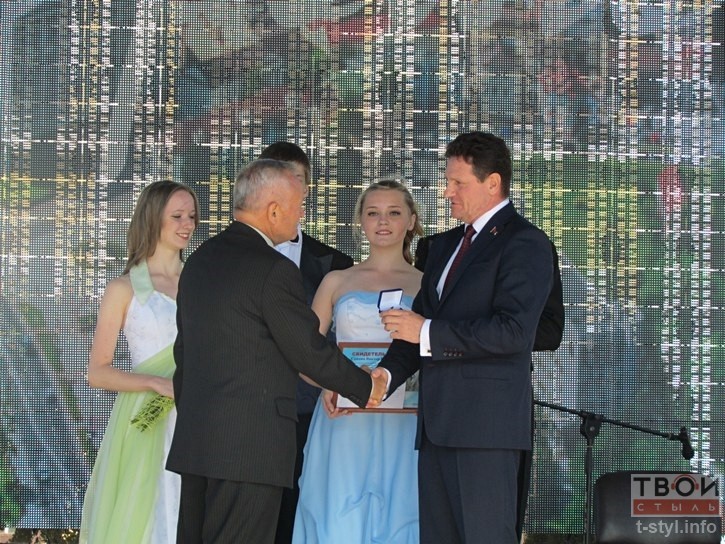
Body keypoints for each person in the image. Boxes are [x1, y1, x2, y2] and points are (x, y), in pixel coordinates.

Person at [166, 158, 387, 544]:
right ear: (273, 210)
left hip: (198, 443)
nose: (302, 215)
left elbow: (183, 355)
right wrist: (366, 386)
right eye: (299, 205)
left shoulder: (199, 260)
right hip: (250, 448)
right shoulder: (273, 269)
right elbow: (307, 350)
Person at [373, 132, 554, 544]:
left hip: (486, 431)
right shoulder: (445, 246)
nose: (447, 192)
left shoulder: (526, 243)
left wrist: (426, 331)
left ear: (493, 183)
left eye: (458, 183)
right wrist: (384, 376)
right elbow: (417, 324)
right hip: (436, 427)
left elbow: (513, 332)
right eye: (447, 181)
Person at [292, 180, 424, 543]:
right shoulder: (336, 281)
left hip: (404, 423)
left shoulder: (428, 284)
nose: (383, 221)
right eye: (373, 213)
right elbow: (305, 353)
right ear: (361, 221)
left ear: (411, 220)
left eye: (394, 212)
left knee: (402, 515)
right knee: (337, 517)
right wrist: (330, 385)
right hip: (343, 421)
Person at [80, 181, 199, 544]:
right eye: (177, 216)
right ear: (153, 218)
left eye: (192, 216)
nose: (187, 224)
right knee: (147, 513)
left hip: (198, 416)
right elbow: (97, 372)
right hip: (147, 419)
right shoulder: (124, 288)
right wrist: (156, 383)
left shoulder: (203, 283)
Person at [258, 142, 355, 544]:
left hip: (310, 412)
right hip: (247, 412)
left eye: (295, 180)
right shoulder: (228, 257)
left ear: (306, 190)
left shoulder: (335, 264)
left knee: (304, 515)